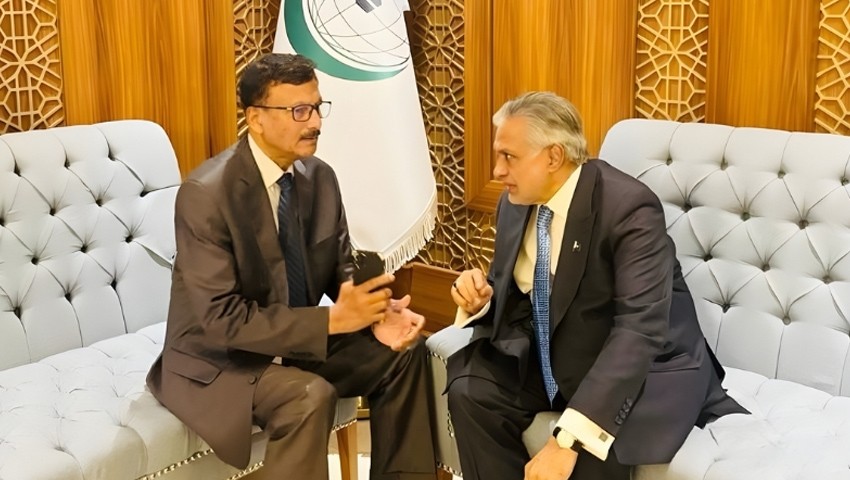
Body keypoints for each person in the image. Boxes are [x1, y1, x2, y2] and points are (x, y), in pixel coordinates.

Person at [146, 53, 436, 480]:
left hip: (295, 340)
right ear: (256, 118)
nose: (315, 122)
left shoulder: (320, 177)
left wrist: (375, 311)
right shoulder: (206, 195)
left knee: (405, 353)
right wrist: (331, 322)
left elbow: (341, 265)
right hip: (220, 361)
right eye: (299, 111)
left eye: (317, 107)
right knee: (308, 396)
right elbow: (222, 320)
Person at [447, 91, 747, 480]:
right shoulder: (514, 203)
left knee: (590, 458)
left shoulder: (628, 208)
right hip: (561, 356)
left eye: (509, 157)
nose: (498, 170)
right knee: (471, 390)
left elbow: (640, 329)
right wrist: (481, 300)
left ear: (553, 157)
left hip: (642, 370)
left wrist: (566, 440)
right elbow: (521, 293)